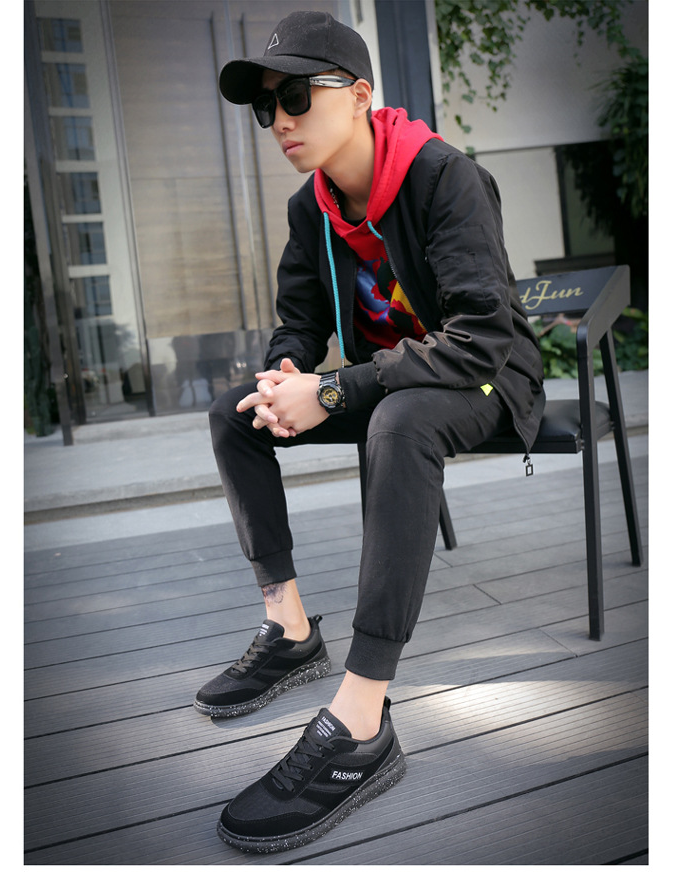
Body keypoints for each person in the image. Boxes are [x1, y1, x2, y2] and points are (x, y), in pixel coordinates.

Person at [195, 10, 545, 854]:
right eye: (265, 107)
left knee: (397, 420)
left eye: (296, 97)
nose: (280, 120)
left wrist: (333, 389)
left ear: (358, 96)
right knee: (232, 412)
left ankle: (360, 721)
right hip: (387, 382)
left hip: (486, 376)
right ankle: (289, 630)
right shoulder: (309, 207)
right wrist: (284, 375)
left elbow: (480, 338)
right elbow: (299, 321)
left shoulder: (445, 177)